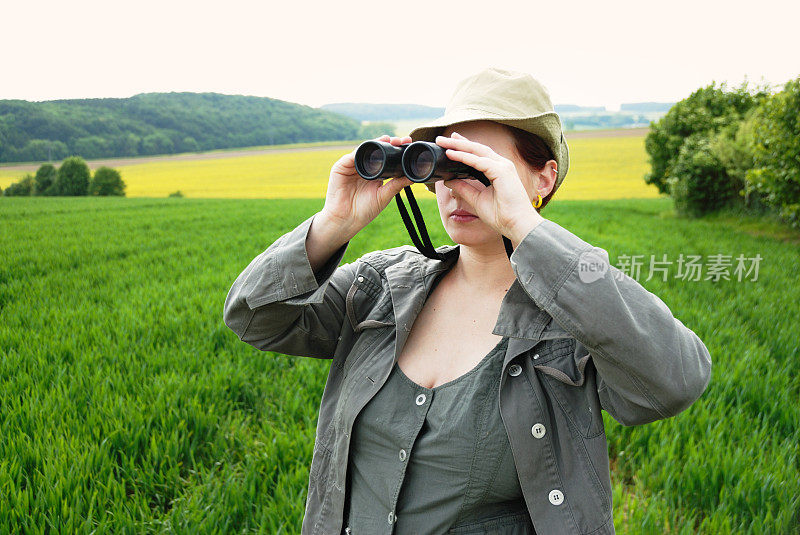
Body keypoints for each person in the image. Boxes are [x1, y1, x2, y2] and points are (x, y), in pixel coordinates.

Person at [223, 67, 712, 535]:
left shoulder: (576, 313)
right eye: (444, 164)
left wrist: (525, 229)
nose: (456, 188)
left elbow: (675, 381)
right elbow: (254, 317)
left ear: (543, 179)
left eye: (479, 167)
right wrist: (335, 223)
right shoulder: (380, 285)